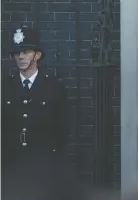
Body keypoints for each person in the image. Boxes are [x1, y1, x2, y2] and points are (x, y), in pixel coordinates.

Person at [1, 25, 80, 200]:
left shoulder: (54, 87)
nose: (20, 56)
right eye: (16, 53)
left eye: (26, 51)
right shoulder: (5, 87)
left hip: (43, 163)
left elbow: (63, 128)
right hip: (11, 163)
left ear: (37, 55)